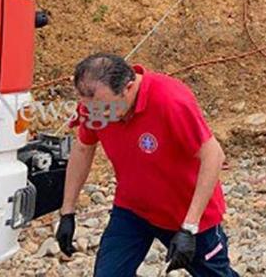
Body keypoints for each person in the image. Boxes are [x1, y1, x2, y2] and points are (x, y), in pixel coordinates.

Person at [56, 54, 238, 276]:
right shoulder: (96, 105)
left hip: (186, 215)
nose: (99, 116)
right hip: (133, 210)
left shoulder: (170, 100)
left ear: (128, 88)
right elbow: (83, 149)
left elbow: (213, 155)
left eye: (106, 109)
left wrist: (189, 227)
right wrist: (67, 212)